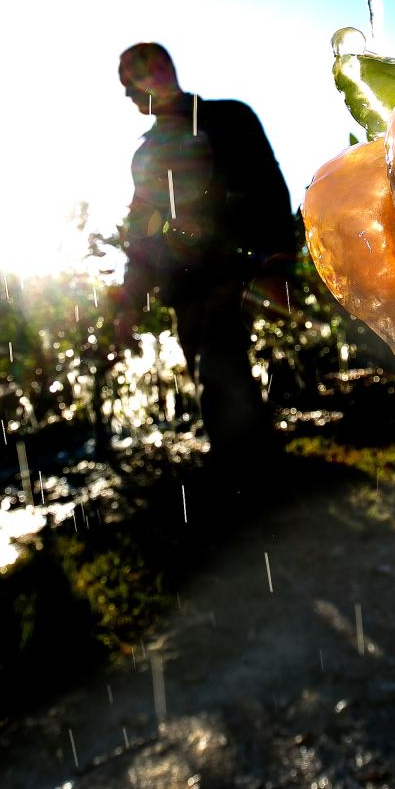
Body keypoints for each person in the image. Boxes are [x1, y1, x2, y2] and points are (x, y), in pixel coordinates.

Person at [114, 42, 295, 470]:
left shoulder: (228, 118)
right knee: (206, 368)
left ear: (160, 72)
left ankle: (250, 478)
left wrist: (279, 258)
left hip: (233, 270)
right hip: (183, 284)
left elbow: (269, 187)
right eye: (125, 85)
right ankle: (254, 469)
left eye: (132, 81)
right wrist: (129, 300)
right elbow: (142, 233)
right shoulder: (146, 153)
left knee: (217, 363)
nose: (127, 94)